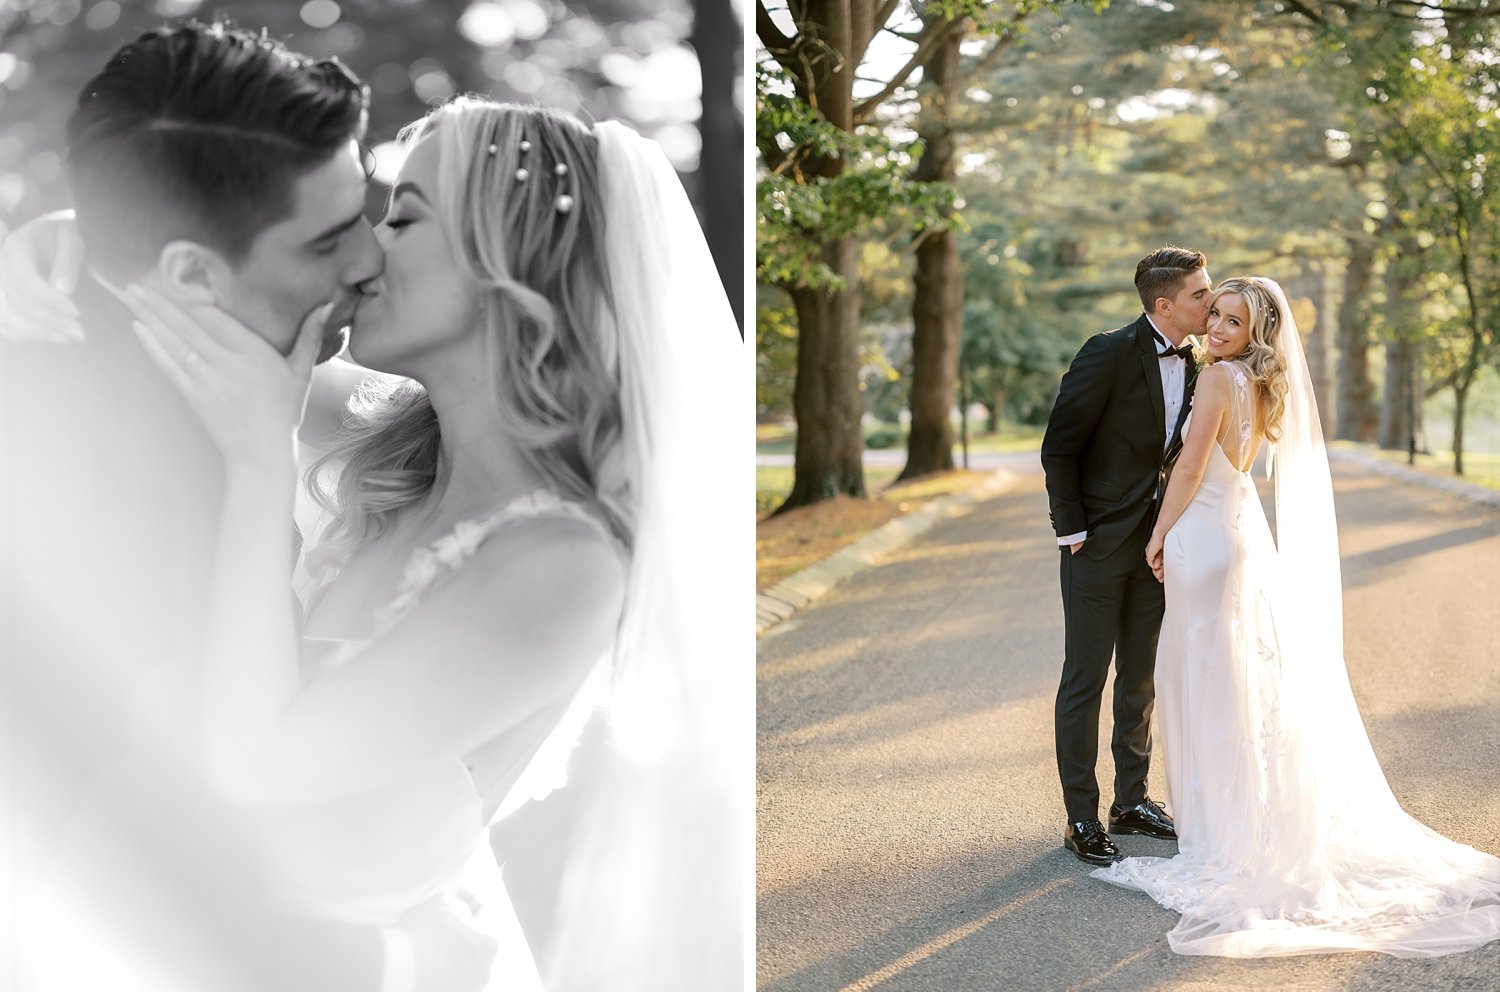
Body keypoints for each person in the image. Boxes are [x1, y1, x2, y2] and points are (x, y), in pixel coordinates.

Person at [4, 25, 743, 992]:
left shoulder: (560, 565)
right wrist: (58, 239)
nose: (365, 256)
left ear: (503, 265)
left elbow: (255, 765)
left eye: (402, 219)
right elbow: (188, 301)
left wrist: (262, 464)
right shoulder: (393, 431)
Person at [1093, 276, 1500, 957]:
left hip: (1202, 534)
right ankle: (1239, 820)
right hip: (1243, 533)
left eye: (1232, 320)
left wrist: (1158, 533)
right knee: (1238, 681)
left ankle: (1220, 835)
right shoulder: (1259, 383)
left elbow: (1192, 467)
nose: (1218, 328)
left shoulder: (1219, 379)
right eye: (1214, 314)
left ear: (1256, 331)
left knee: (1204, 682)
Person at [1039, 246, 1211, 864]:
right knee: (1085, 679)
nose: (1210, 301)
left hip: (1158, 546)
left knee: (1139, 678)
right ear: (1163, 304)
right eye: (1199, 293)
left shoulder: (1198, 361)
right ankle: (1081, 815)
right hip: (1095, 544)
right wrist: (1072, 530)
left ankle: (1131, 800)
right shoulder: (1107, 351)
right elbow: (1059, 445)